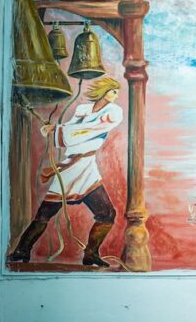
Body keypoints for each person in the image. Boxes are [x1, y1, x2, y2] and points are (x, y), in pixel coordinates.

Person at [8, 78, 124, 267]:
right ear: (104, 91)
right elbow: (71, 130)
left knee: (107, 213)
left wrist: (57, 131)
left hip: (87, 167)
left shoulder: (114, 113)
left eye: (117, 92)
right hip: (71, 167)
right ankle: (21, 251)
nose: (116, 95)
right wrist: (55, 130)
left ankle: (91, 254)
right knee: (44, 213)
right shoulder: (82, 109)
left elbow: (88, 130)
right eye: (113, 91)